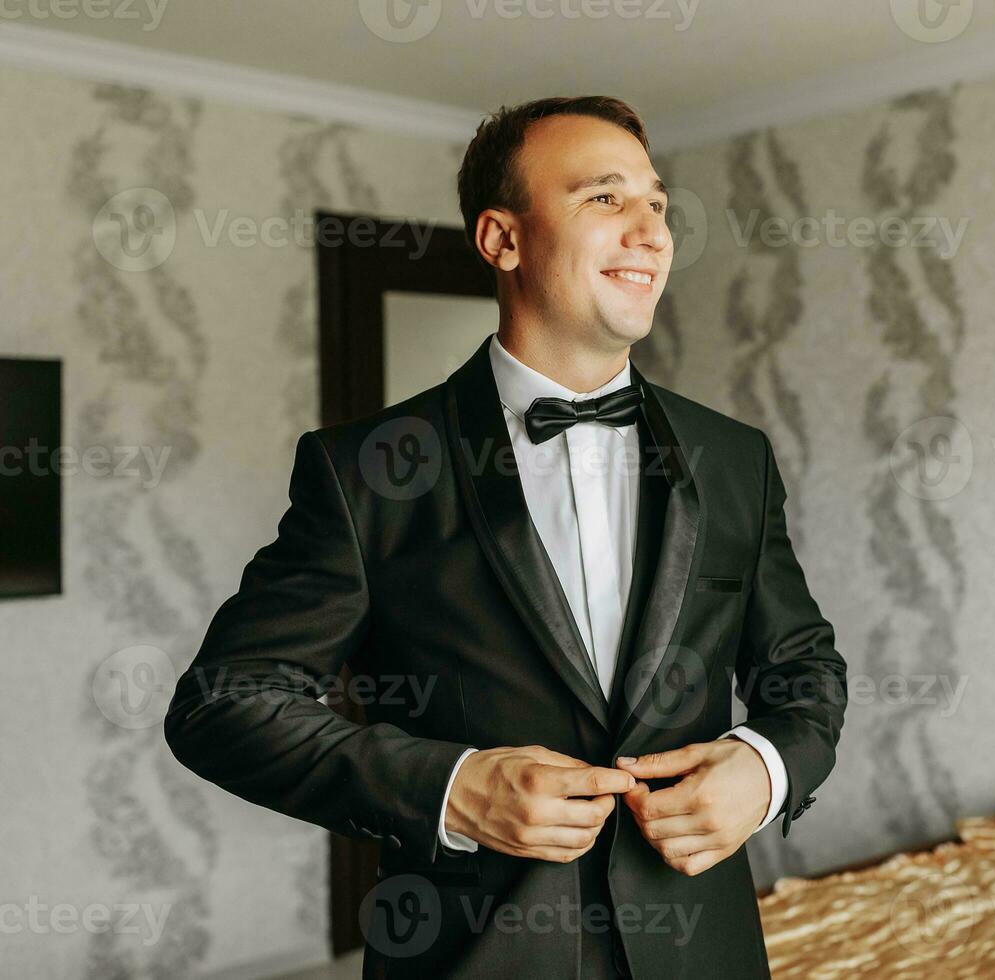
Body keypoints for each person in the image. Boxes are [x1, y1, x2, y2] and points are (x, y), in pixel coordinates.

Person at [164, 95, 847, 979]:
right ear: (503, 239)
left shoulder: (733, 458)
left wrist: (765, 770)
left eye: (659, 204)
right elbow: (225, 703)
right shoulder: (364, 469)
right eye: (606, 199)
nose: (651, 231)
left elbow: (805, 675)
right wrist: (455, 789)